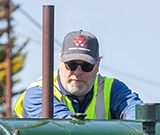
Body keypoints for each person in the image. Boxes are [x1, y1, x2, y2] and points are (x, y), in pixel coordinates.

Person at [14, 30, 142, 119]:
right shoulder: (39, 94)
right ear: (60, 61)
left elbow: (137, 116)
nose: (78, 72)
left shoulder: (113, 89)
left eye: (86, 66)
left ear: (97, 65)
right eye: (72, 64)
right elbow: (67, 127)